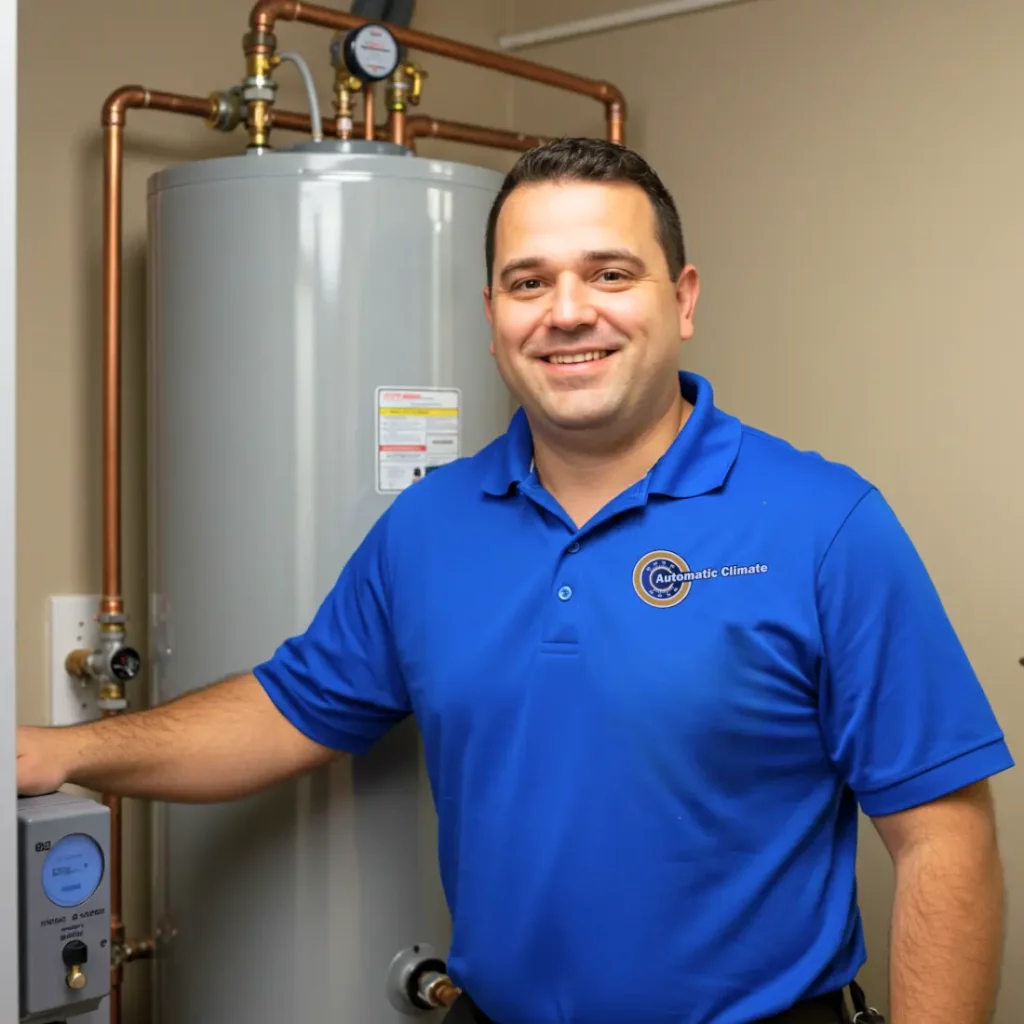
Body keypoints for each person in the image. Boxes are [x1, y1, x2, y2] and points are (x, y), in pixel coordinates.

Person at [18, 138, 1011, 1024]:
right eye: (527, 282)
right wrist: (58, 752)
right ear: (491, 313)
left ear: (685, 297)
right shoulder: (429, 525)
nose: (567, 311)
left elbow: (943, 843)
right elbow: (291, 708)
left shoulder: (824, 523)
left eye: (609, 272)